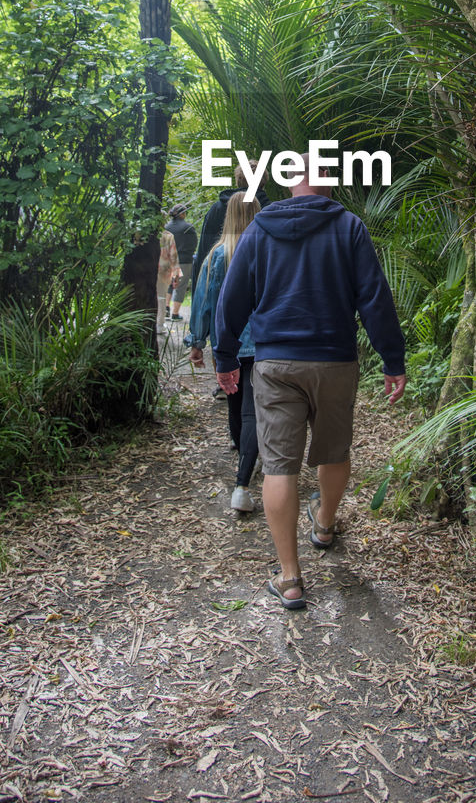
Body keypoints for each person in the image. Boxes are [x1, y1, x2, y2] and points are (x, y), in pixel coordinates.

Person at [213, 156, 406, 610]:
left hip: (276, 361)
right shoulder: (350, 227)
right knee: (334, 450)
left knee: (280, 466)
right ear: (330, 186)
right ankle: (324, 524)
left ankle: (290, 577)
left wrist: (225, 355)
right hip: (335, 362)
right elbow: (374, 298)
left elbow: (234, 296)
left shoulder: (261, 228)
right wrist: (392, 359)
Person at [188, 196, 261, 512]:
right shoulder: (268, 252)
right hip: (262, 344)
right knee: (253, 410)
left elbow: (203, 302)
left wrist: (197, 341)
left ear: (227, 216)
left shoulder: (216, 256)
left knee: (236, 402)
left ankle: (241, 450)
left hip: (227, 344)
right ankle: (245, 471)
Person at [191, 160, 270, 296]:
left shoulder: (217, 209)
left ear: (238, 181)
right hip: (261, 289)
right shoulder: (270, 210)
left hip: (220, 288)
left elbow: (204, 252)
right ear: (263, 182)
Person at [164, 203, 197, 321]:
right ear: (182, 214)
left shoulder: (166, 227)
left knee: (168, 283)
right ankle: (175, 313)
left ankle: (166, 308)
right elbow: (194, 243)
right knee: (181, 286)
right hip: (184, 259)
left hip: (168, 259)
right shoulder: (188, 227)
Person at [156, 223, 180, 333]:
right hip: (163, 271)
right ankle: (159, 325)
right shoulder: (168, 236)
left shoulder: (143, 233)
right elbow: (173, 256)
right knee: (161, 297)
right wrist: (176, 275)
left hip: (146, 270)